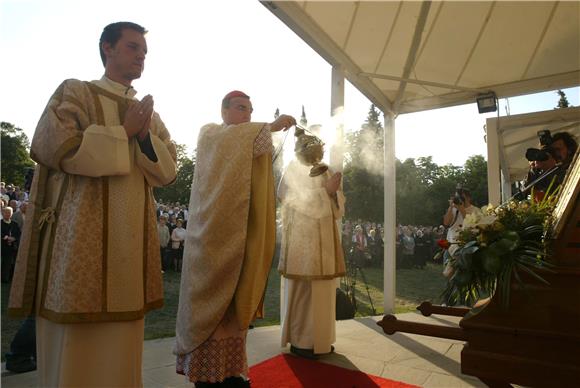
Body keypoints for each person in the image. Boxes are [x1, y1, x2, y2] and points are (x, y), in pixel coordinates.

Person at [7, 21, 177, 387]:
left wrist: (144, 135)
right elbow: (57, 147)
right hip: (79, 241)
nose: (141, 57)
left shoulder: (149, 114)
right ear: (107, 48)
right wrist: (123, 133)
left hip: (127, 245)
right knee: (78, 348)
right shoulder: (77, 92)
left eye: (144, 52)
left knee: (121, 341)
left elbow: (167, 171)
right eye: (133, 47)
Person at [175, 90, 296, 386]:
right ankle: (207, 376)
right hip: (210, 242)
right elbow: (239, 141)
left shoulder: (247, 140)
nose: (247, 115)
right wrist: (271, 126)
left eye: (251, 110)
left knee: (232, 311)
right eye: (241, 108)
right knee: (211, 314)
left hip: (237, 239)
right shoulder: (211, 135)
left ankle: (229, 372)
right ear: (224, 110)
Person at [277, 151, 346, 359]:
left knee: (325, 291)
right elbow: (287, 197)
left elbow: (338, 208)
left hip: (325, 240)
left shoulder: (326, 170)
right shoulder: (293, 168)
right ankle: (301, 342)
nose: (317, 151)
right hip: (302, 239)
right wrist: (325, 192)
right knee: (304, 291)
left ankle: (321, 341)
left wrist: (334, 194)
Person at [1, 206, 20, 283]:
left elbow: (18, 233)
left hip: (10, 247)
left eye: (10, 213)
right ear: (3, 213)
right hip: (2, 245)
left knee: (7, 263)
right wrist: (6, 237)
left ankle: (4, 278)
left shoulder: (15, 224)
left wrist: (14, 238)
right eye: (6, 213)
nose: (8, 214)